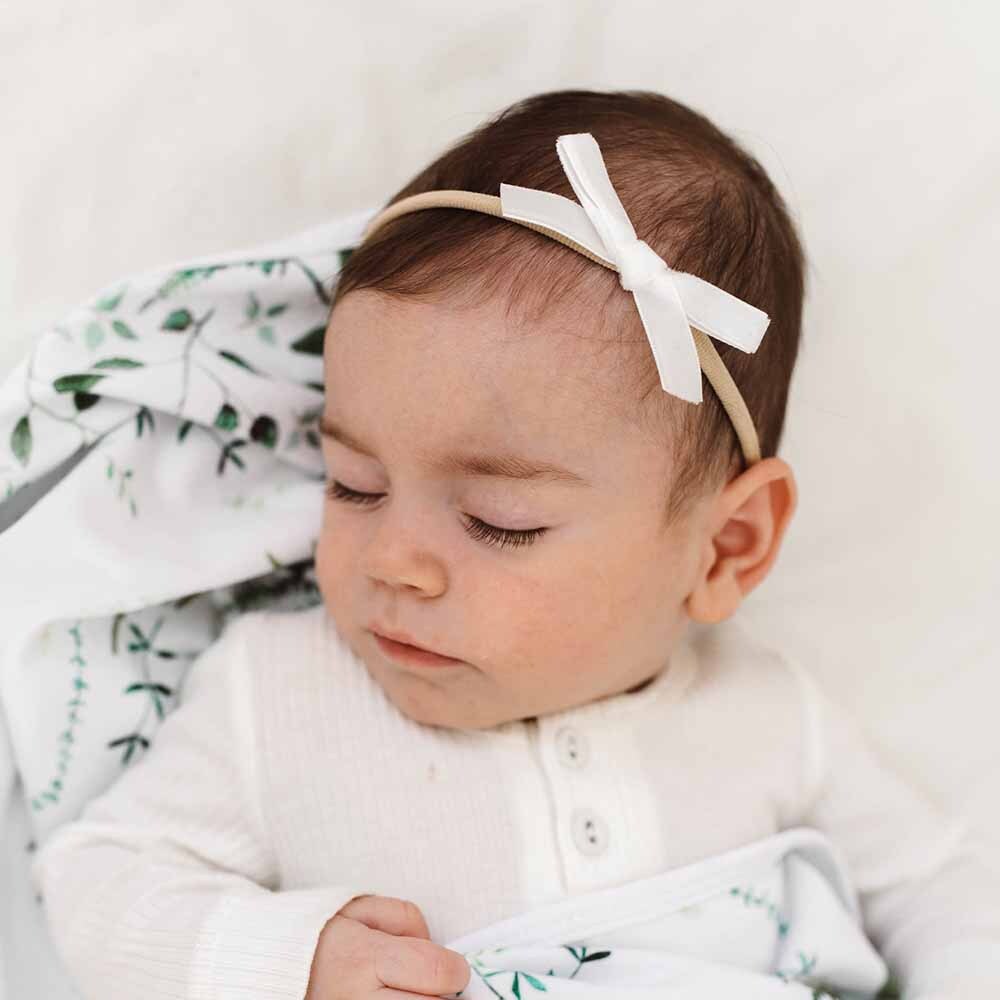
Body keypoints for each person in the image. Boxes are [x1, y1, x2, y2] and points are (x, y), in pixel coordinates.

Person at [30, 88, 1000, 1000]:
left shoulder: (771, 715)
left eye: (499, 520)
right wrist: (292, 960)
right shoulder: (280, 693)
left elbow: (943, 888)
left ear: (724, 549)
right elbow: (99, 877)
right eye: (354, 484)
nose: (393, 560)